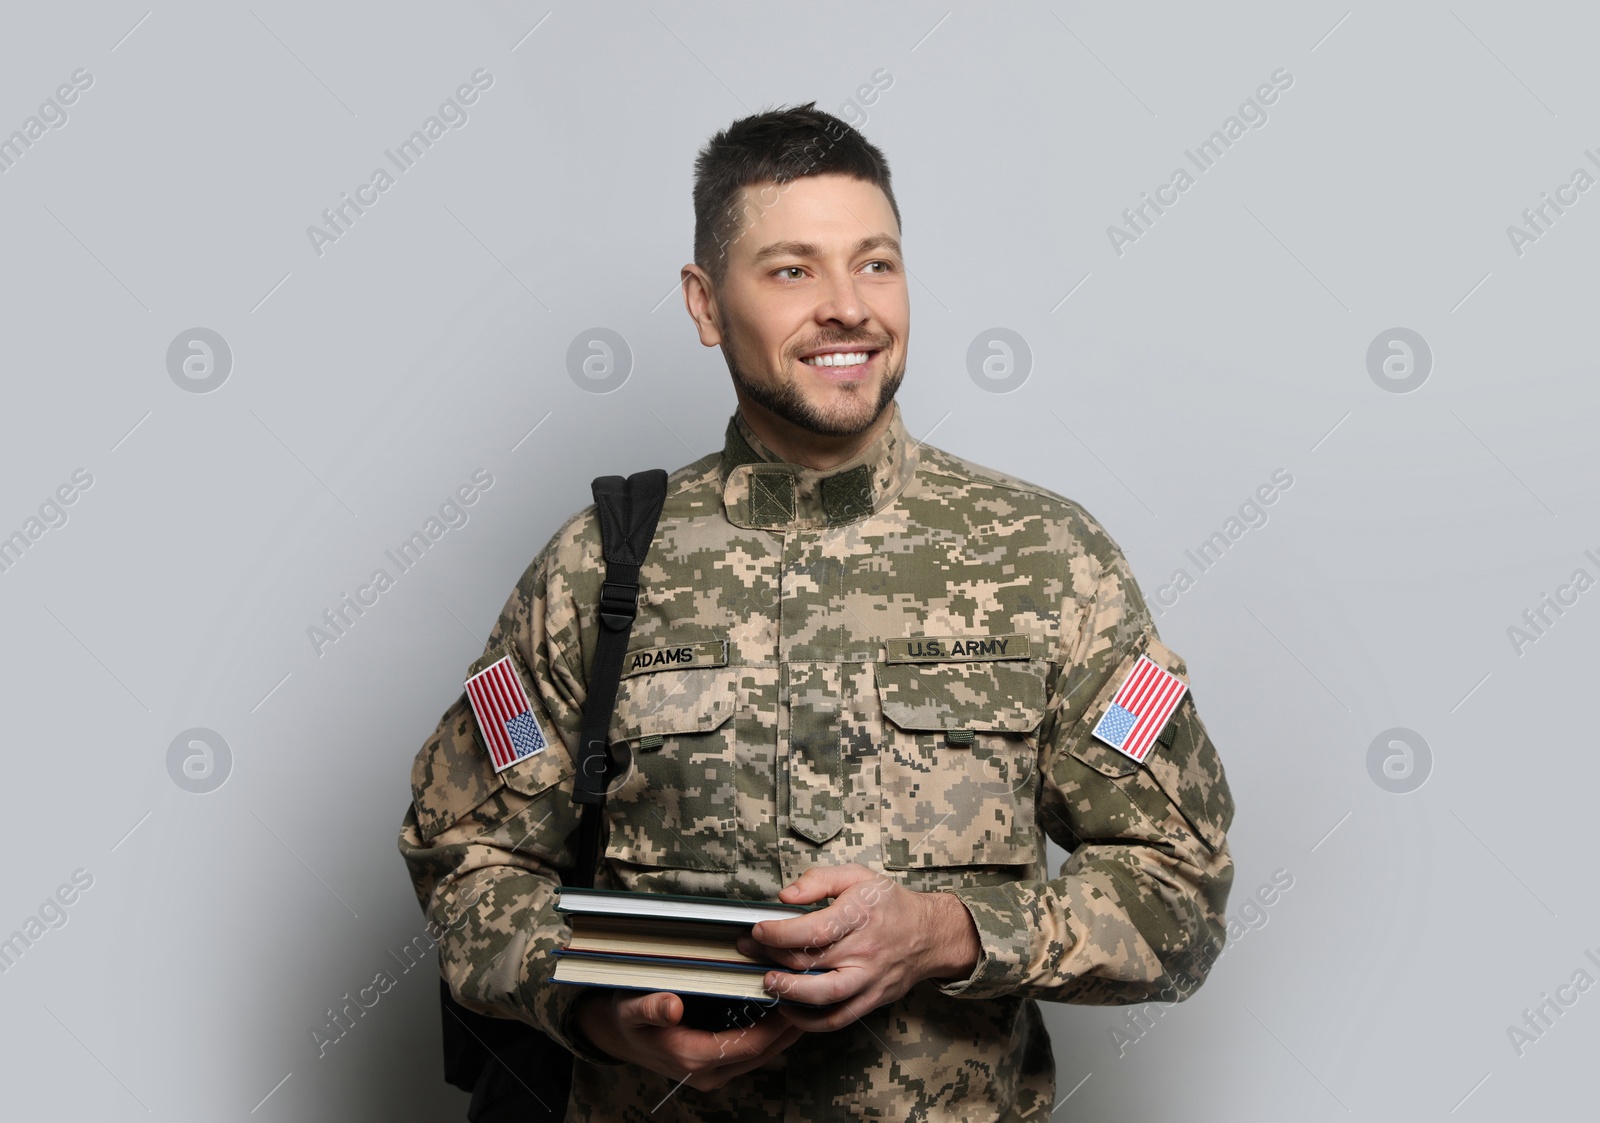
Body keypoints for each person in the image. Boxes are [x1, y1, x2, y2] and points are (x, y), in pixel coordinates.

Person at [398, 101, 1235, 1121]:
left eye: (874, 263)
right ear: (705, 305)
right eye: (792, 269)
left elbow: (1180, 893)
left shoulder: (1050, 559)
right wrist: (595, 1015)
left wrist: (945, 930)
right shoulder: (593, 570)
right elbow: (467, 866)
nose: (848, 306)